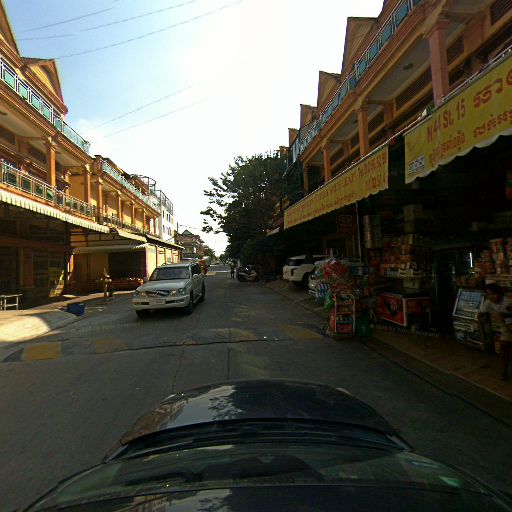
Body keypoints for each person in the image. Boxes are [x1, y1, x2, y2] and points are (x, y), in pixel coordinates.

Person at [478, 283, 512, 381]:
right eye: (488, 294)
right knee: (503, 347)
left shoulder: (508, 301)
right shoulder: (488, 302)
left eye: (493, 294)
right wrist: (482, 318)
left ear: (500, 293)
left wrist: (504, 316)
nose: (491, 296)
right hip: (506, 327)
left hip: (508, 324)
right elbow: (481, 315)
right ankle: (503, 373)